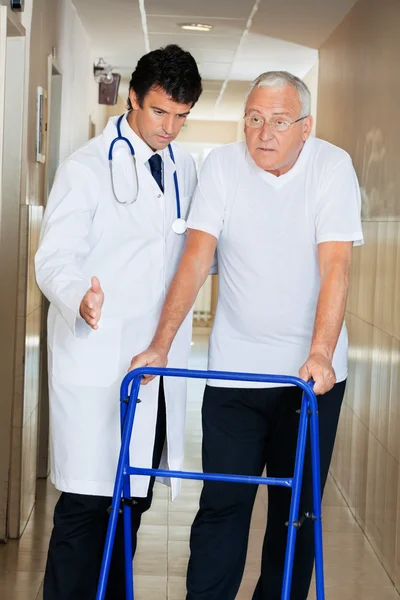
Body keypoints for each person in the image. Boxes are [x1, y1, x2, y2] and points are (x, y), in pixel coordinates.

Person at [129, 71, 363, 599]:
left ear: (305, 126)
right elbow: (195, 259)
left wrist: (321, 353)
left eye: (278, 122)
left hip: (310, 383)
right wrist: (161, 344)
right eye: (254, 119)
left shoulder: (332, 167)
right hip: (235, 375)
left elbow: (336, 267)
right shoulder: (223, 167)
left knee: (296, 514)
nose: (263, 134)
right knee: (222, 506)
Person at [35, 44, 202, 600]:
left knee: (131, 508)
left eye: (182, 116)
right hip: (98, 364)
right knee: (84, 513)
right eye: (160, 112)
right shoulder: (85, 168)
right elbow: (52, 258)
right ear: (133, 97)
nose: (170, 128)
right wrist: (81, 295)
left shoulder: (184, 169)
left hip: (152, 370)